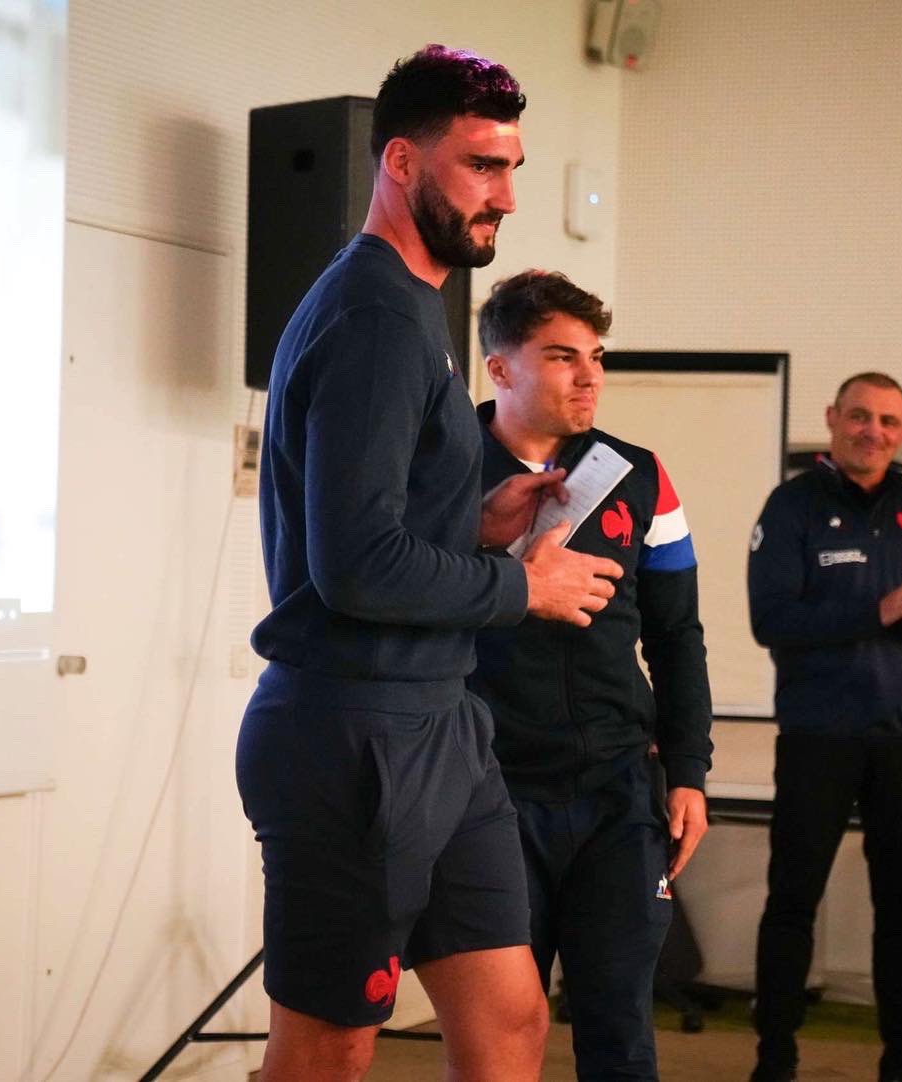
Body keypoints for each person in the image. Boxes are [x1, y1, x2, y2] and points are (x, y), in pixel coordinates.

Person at [235, 47, 624, 1082]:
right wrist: (522, 585)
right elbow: (355, 566)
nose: (502, 195)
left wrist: (481, 522)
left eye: (513, 167)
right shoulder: (372, 317)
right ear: (403, 162)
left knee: (509, 1021)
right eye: (479, 166)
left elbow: (390, 523)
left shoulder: (418, 306)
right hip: (352, 734)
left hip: (442, 721)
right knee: (325, 1054)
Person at [469, 270, 714, 1080]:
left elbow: (678, 637)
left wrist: (688, 773)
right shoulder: (439, 468)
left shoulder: (640, 474)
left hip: (617, 790)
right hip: (491, 791)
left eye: (597, 357)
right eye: (562, 357)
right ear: (501, 369)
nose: (589, 376)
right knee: (506, 1031)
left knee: (617, 1025)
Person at [746, 372, 902, 1082]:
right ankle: (773, 1059)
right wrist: (875, 611)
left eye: (889, 421)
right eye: (861, 417)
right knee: (792, 902)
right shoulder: (792, 507)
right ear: (834, 421)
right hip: (818, 737)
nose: (874, 431)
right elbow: (770, 620)